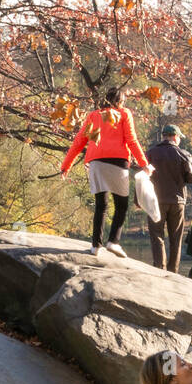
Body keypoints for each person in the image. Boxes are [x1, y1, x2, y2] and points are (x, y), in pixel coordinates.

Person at [60, 86, 151, 257]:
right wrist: (143, 163)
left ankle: (96, 246)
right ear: (119, 101)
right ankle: (113, 242)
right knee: (122, 205)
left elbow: (80, 141)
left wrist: (66, 166)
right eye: (123, 101)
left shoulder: (94, 116)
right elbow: (131, 140)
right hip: (118, 162)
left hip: (96, 162)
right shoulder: (124, 114)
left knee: (101, 205)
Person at [147, 123, 192, 272]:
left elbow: (142, 177)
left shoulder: (150, 153)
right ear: (175, 137)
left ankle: (159, 267)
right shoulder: (184, 154)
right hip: (177, 201)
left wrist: (139, 200)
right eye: (179, 137)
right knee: (176, 238)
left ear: (164, 136)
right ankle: (173, 271)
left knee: (156, 234)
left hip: (155, 201)